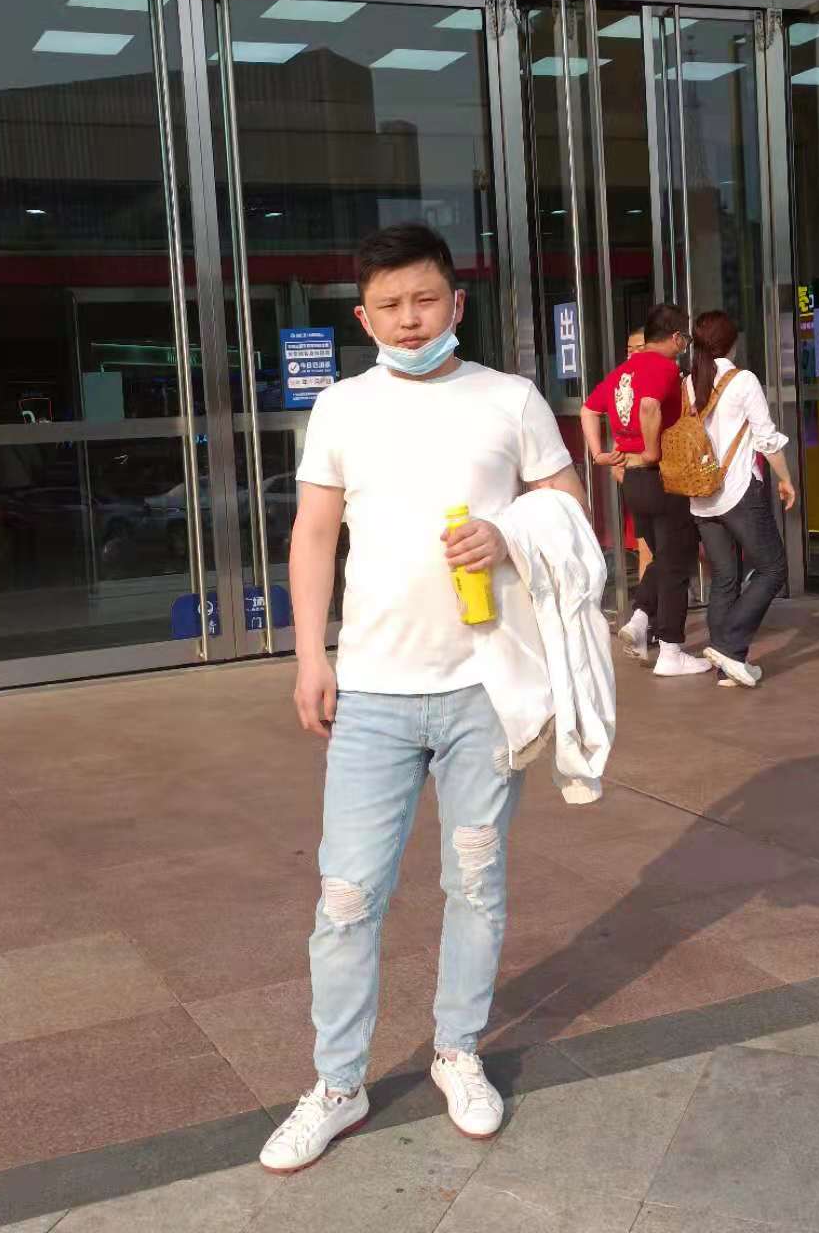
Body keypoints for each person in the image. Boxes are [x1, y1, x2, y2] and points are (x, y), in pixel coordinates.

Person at [260, 222, 586, 1175]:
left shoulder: (510, 398)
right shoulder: (341, 407)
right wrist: (309, 657)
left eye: (426, 300)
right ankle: (337, 1084)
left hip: (484, 689)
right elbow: (314, 534)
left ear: (457, 303)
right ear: (364, 319)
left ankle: (457, 1050)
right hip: (372, 692)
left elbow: (570, 508)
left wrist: (508, 535)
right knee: (346, 895)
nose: (410, 320)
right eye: (390, 306)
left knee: (475, 882)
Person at [580, 303, 709, 678]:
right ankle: (670, 650)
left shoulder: (623, 372)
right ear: (675, 338)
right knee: (676, 563)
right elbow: (650, 407)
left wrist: (598, 454)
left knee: (663, 556)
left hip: (632, 480)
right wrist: (652, 449)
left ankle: (639, 620)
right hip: (660, 475)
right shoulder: (663, 367)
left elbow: (589, 410)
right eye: (684, 339)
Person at [686, 310, 796, 689]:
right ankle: (730, 648)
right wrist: (786, 479)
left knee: (724, 579)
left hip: (701, 497)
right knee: (773, 569)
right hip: (737, 492)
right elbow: (766, 438)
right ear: (732, 343)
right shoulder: (743, 380)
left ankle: (727, 665)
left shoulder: (690, 382)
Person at [622, 327, 652, 584]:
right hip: (641, 476)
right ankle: (648, 604)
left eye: (639, 348)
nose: (633, 354)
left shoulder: (672, 379)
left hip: (672, 476)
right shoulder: (623, 386)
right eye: (629, 350)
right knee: (647, 549)